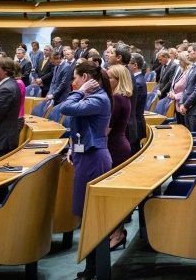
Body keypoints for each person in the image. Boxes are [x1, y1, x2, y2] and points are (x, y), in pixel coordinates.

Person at [58, 61, 113, 280]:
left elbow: (65, 108)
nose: (73, 82)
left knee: (91, 215)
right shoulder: (92, 97)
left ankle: (94, 268)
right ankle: (92, 267)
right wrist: (73, 148)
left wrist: (80, 91)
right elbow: (79, 125)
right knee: (85, 212)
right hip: (85, 155)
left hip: (94, 158)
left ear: (86, 78)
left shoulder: (98, 99)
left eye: (76, 78)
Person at [106, 64, 132, 250]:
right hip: (119, 145)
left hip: (115, 148)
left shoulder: (117, 99)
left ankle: (117, 233)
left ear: (118, 80)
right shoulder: (123, 97)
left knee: (114, 194)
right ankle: (116, 231)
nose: (106, 80)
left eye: (110, 77)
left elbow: (106, 130)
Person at [0, 57, 22, 161]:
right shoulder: (8, 85)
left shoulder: (6, 89)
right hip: (2, 141)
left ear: (5, 71)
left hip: (0, 142)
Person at [128, 53, 147, 149]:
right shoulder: (136, 80)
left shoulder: (137, 82)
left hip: (136, 124)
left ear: (135, 65)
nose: (126, 66)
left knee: (134, 152)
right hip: (135, 123)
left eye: (128, 63)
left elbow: (133, 105)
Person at [167, 51, 190, 125]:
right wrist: (172, 92)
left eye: (180, 60)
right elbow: (174, 84)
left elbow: (188, 90)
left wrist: (175, 96)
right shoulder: (181, 71)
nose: (179, 62)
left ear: (185, 61)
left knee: (184, 128)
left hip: (184, 105)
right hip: (177, 105)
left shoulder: (189, 73)